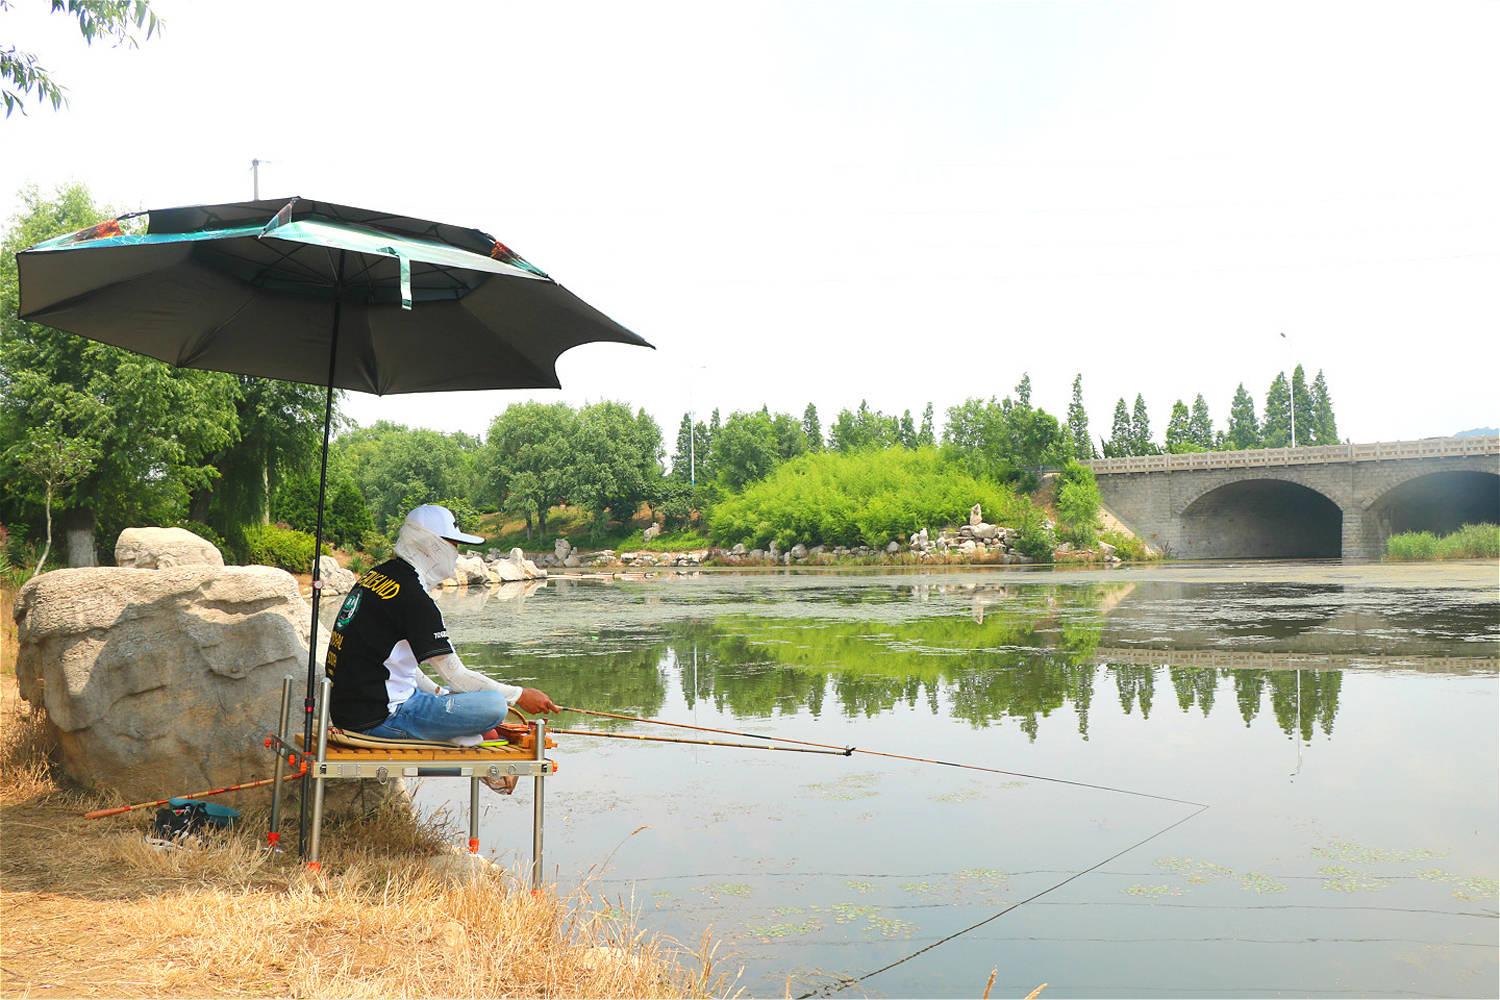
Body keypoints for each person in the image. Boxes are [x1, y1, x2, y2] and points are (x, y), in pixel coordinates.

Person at [324, 504, 560, 758]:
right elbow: (455, 675)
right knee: (492, 706)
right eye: (453, 545)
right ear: (431, 544)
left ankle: (454, 729)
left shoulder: (378, 576)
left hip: (350, 713)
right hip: (381, 720)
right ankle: (451, 732)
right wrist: (520, 695)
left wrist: (436, 691)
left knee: (451, 696)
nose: (456, 554)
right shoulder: (414, 598)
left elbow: (392, 661)